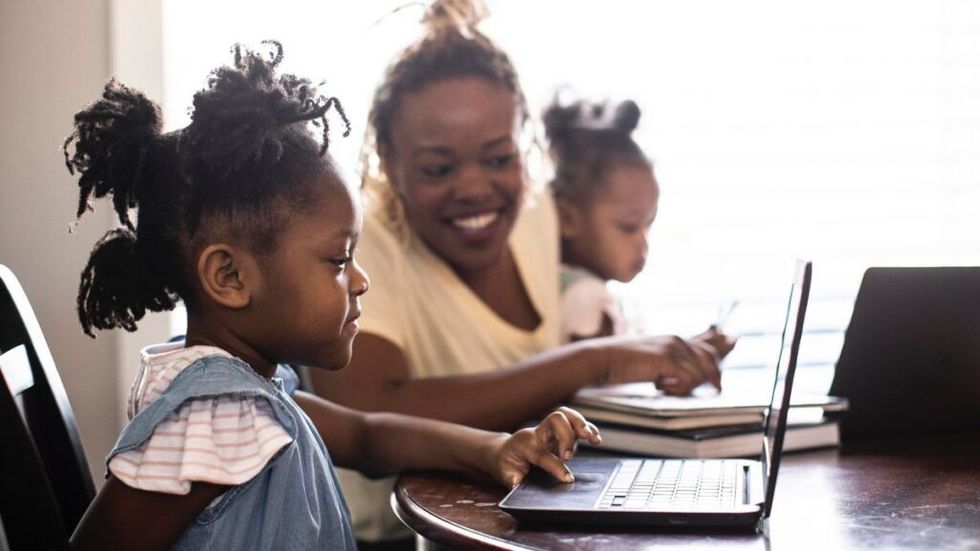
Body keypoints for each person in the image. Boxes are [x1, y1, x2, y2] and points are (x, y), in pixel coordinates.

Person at [62, 42, 602, 551]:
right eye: (338, 262)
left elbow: (369, 438)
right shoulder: (216, 415)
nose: (361, 280)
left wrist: (495, 449)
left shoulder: (252, 393)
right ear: (229, 277)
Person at [307, 1, 736, 546]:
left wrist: (660, 354)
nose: (475, 188)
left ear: (523, 142)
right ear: (386, 159)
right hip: (399, 537)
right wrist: (592, 362)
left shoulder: (535, 213)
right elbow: (362, 410)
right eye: (439, 168)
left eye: (497, 157)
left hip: (522, 515)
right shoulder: (366, 239)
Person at [543, 95, 659, 341]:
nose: (643, 244)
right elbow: (593, 378)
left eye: (648, 225)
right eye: (628, 227)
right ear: (567, 219)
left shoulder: (555, 282)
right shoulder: (586, 296)